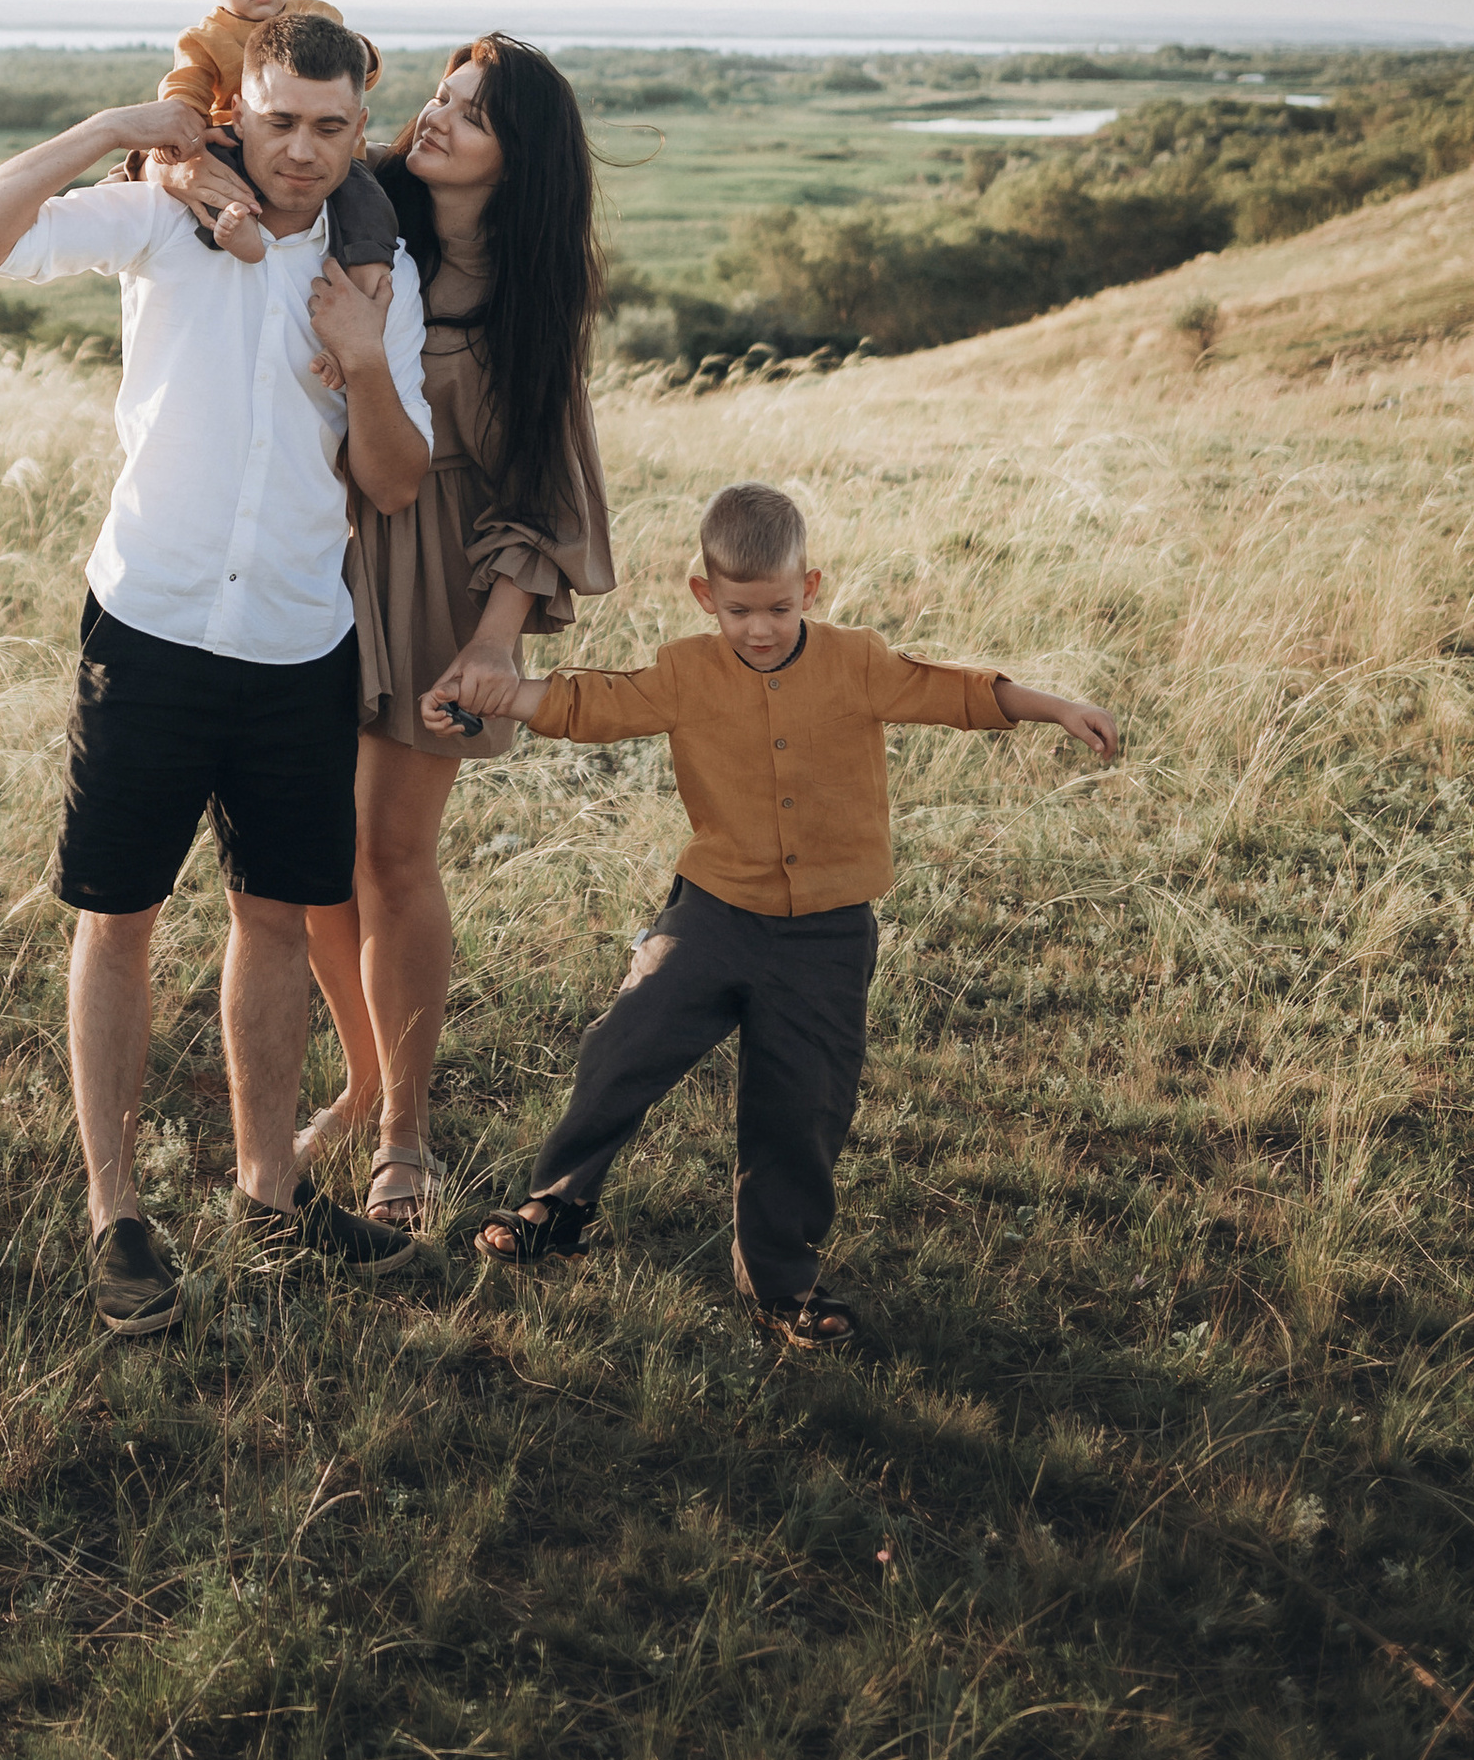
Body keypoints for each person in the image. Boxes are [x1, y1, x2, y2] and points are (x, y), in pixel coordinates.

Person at [0, 11, 435, 1340]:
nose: (306, 150)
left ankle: (270, 1196)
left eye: (333, 126)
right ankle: (119, 1216)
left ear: (359, 128)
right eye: (281, 120)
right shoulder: (164, 216)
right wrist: (110, 133)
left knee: (276, 914)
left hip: (293, 640)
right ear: (235, 110)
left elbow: (392, 479)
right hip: (148, 620)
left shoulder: (377, 271)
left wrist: (368, 358)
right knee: (122, 910)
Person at [434, 478, 1120, 1342]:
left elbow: (954, 691)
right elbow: (595, 705)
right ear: (704, 597)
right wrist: (503, 693)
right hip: (713, 912)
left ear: (812, 589)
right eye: (738, 609)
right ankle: (558, 1206)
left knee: (800, 1110)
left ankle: (783, 1285)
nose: (759, 628)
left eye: (780, 608)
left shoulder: (856, 660)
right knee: (625, 1041)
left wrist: (1056, 705)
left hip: (828, 935)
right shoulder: (686, 670)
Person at [285, 35, 618, 1231]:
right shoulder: (363, 213)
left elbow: (545, 483)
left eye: (469, 114)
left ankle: (402, 1133)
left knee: (389, 855)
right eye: (438, 95)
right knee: (306, 862)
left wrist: (493, 643)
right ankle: (362, 1071)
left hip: (438, 578)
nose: (433, 118)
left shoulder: (538, 295)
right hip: (314, 550)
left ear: (518, 160)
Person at [153, 0, 400, 295]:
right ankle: (239, 226)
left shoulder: (318, 15)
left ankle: (369, 273)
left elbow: (357, 74)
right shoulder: (204, 39)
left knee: (368, 202)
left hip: (332, 162)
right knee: (213, 170)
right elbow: (185, 90)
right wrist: (175, 134)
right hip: (238, 146)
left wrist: (362, 54)